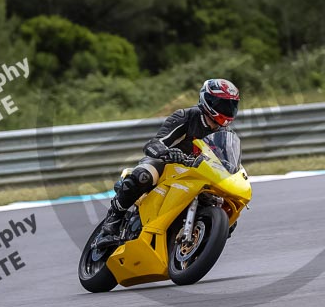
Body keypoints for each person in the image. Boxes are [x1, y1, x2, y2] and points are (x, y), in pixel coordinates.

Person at [97, 78, 240, 242]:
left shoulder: (227, 134)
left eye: (232, 105)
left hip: (198, 174)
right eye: (224, 105)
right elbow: (155, 143)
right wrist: (168, 153)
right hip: (167, 165)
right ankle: (112, 221)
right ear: (209, 100)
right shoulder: (186, 116)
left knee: (228, 210)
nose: (228, 110)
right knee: (143, 176)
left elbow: (228, 162)